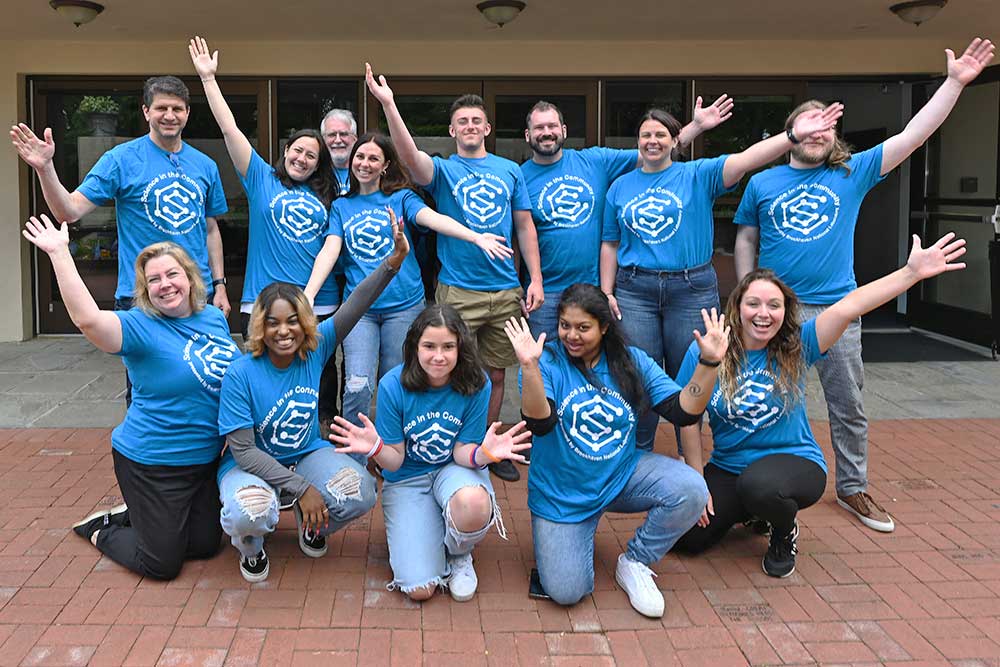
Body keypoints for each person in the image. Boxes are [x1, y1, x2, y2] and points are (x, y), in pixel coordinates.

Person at [733, 37, 994, 533]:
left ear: (835, 136)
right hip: (775, 314)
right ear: (792, 133)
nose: (818, 135)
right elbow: (746, 235)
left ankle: (853, 488)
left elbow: (915, 134)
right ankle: (762, 495)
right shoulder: (762, 183)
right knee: (766, 403)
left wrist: (954, 84)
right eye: (809, 126)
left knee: (847, 403)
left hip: (837, 308)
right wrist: (748, 288)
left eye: (828, 127)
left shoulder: (851, 173)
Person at [674, 233, 967, 577]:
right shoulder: (708, 349)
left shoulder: (800, 343)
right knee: (687, 539)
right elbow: (688, 417)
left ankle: (783, 531)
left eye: (774, 305)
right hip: (729, 466)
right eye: (753, 303)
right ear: (737, 307)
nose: (763, 314)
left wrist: (911, 274)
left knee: (759, 486)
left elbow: (850, 305)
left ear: (786, 311)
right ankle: (754, 512)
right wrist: (696, 480)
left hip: (794, 463)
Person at [600, 103, 843, 453]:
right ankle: (637, 455)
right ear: (637, 141)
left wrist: (792, 136)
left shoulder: (699, 174)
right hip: (635, 290)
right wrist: (607, 291)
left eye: (660, 135)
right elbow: (610, 243)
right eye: (645, 135)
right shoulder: (619, 187)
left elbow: (747, 158)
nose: (652, 141)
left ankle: (691, 459)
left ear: (675, 141)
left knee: (700, 370)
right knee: (637, 375)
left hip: (691, 289)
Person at [24, 215, 239, 580]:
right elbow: (88, 320)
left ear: (189, 277)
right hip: (151, 465)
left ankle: (137, 514)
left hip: (203, 463)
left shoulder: (212, 319)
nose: (165, 285)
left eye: (172, 274)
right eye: (153, 280)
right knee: (161, 564)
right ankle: (101, 528)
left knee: (205, 544)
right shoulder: (139, 327)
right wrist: (60, 253)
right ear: (144, 289)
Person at [504, 283, 728, 618]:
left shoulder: (632, 361)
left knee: (692, 489)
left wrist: (708, 363)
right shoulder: (544, 361)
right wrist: (529, 367)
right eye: (565, 325)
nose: (571, 336)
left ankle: (635, 560)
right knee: (566, 592)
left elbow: (684, 411)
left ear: (605, 327)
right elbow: (541, 423)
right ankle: (571, 539)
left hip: (621, 476)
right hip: (562, 495)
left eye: (583, 328)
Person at [366, 64, 542, 483]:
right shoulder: (442, 171)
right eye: (461, 121)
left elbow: (524, 227)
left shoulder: (509, 171)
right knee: (444, 367)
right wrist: (390, 104)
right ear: (452, 129)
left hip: (504, 289)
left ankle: (486, 448)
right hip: (456, 290)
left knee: (496, 374)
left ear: (487, 128)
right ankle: (440, 444)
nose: (469, 126)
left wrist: (534, 278)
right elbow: (410, 157)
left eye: (476, 121)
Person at [216, 209, 410, 582]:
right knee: (251, 511)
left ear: (305, 323)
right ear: (259, 325)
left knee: (360, 491)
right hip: (251, 465)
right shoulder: (241, 373)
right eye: (272, 322)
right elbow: (242, 450)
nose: (283, 331)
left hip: (306, 454)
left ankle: (313, 526)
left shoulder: (315, 349)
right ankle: (252, 548)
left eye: (292, 321)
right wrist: (301, 488)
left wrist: (393, 262)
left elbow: (358, 303)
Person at [189, 36, 343, 441]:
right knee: (262, 370)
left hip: (318, 298)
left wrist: (308, 295)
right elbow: (228, 128)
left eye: (312, 155)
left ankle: (313, 437)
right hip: (259, 299)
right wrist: (208, 80)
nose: (302, 158)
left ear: (319, 163)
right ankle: (260, 438)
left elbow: (333, 244)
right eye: (297, 150)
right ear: (285, 150)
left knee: (319, 373)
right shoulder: (260, 180)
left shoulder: (329, 195)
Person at [304, 132, 513, 429]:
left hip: (403, 307)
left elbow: (432, 219)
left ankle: (392, 446)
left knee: (397, 383)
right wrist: (309, 294)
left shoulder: (401, 198)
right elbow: (330, 249)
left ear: (386, 165)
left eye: (373, 158)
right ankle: (354, 454)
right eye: (360, 157)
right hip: (359, 310)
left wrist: (475, 237)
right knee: (357, 384)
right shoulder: (341, 207)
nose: (365, 163)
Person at [328, 304, 531, 602]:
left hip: (454, 470)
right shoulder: (392, 386)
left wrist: (485, 454)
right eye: (429, 346)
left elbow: (463, 453)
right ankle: (430, 526)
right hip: (408, 478)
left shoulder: (477, 383)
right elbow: (395, 460)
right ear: (414, 347)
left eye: (448, 346)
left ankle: (459, 552)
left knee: (473, 503)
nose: (439, 356)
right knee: (420, 589)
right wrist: (376, 448)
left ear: (461, 347)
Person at [11, 77, 231, 316]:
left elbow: (210, 230)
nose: (170, 115)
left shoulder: (206, 166)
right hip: (141, 297)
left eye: (177, 108)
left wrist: (220, 285)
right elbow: (68, 211)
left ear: (187, 113)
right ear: (146, 112)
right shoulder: (120, 160)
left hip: (197, 293)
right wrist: (45, 168)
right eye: (161, 108)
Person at [521, 95, 733, 341]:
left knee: (594, 365)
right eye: (539, 128)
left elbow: (653, 152)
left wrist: (695, 127)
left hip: (591, 287)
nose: (546, 132)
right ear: (528, 135)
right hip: (544, 293)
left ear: (564, 131)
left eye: (552, 126)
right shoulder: (518, 177)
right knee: (543, 363)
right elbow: (518, 234)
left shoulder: (595, 161)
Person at [321, 108, 359, 195]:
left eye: (343, 134)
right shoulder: (315, 172)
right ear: (323, 140)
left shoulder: (366, 172)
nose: (338, 140)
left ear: (355, 139)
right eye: (331, 135)